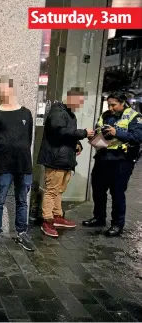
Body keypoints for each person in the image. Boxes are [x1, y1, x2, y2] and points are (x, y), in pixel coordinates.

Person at [0, 76, 35, 252]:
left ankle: (21, 233)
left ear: (12, 88)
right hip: (4, 165)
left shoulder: (26, 113)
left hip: (24, 165)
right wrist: (3, 154)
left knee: (22, 201)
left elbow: (28, 138)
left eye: (3, 87)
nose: (0, 91)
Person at [82, 92, 142, 236]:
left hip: (121, 160)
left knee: (117, 193)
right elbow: (99, 129)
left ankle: (117, 224)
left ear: (123, 103)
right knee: (98, 190)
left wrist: (117, 133)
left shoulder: (135, 117)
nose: (110, 107)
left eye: (113, 104)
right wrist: (95, 136)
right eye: (109, 104)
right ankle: (99, 218)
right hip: (103, 157)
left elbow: (138, 137)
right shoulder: (105, 115)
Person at [37, 87, 95, 238]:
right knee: (52, 190)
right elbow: (58, 132)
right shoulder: (58, 112)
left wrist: (77, 144)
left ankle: (57, 216)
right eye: (80, 101)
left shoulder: (68, 114)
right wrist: (83, 133)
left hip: (64, 159)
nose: (80, 105)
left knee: (58, 190)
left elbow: (66, 135)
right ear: (72, 98)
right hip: (55, 159)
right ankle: (47, 220)